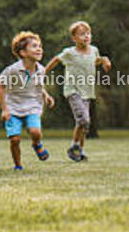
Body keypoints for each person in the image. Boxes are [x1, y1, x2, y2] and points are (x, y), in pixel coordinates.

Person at [44, 21, 111, 162]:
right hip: (73, 91)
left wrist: (104, 61)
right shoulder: (70, 53)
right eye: (82, 34)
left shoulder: (94, 50)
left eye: (88, 33)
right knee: (83, 120)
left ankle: (79, 151)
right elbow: (56, 60)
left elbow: (95, 61)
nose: (86, 36)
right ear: (74, 38)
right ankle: (74, 146)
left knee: (82, 123)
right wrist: (43, 73)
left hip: (87, 92)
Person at [0, 31, 55, 171]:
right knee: (14, 139)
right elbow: (1, 88)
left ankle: (36, 144)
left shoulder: (41, 70)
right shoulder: (12, 70)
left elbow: (38, 86)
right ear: (23, 52)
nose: (39, 49)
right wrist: (5, 109)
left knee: (35, 131)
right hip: (13, 106)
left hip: (32, 105)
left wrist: (46, 95)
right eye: (34, 46)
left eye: (40, 46)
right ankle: (18, 165)